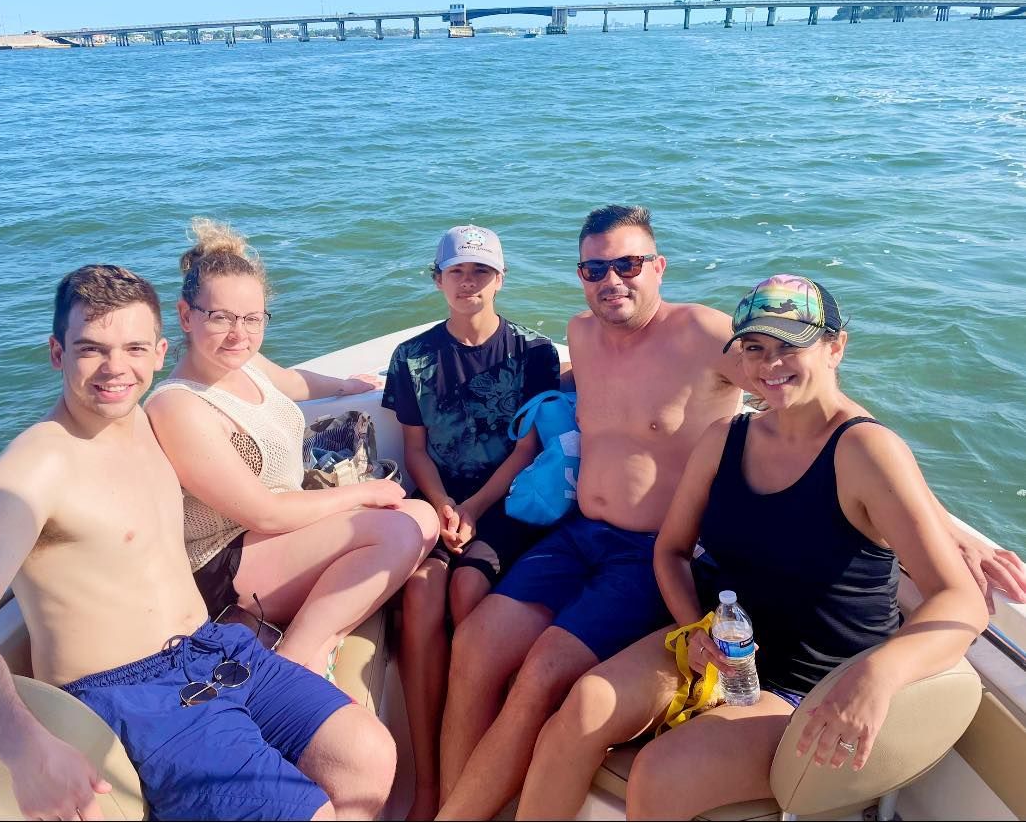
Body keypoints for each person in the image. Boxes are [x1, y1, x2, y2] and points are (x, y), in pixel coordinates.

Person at [436, 205, 1026, 820]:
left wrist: (886, 654)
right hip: (680, 602)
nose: (769, 366)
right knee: (488, 651)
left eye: (628, 264)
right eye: (595, 268)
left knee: (550, 683)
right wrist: (697, 629)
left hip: (795, 666)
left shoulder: (833, 430)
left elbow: (859, 439)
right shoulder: (720, 429)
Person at [0, 265, 396, 821]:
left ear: (162, 352)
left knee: (368, 757)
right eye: (91, 349)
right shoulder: (32, 470)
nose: (116, 369)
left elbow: (259, 375)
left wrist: (336, 387)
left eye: (134, 348)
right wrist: (27, 749)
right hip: (129, 697)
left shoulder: (147, 420)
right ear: (55, 352)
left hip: (210, 649)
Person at [144, 218, 438, 681]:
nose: (238, 333)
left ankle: (323, 637)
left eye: (252, 319)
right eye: (220, 317)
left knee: (423, 518)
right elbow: (265, 515)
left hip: (278, 536)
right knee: (400, 532)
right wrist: (363, 494)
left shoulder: (246, 364)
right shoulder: (179, 406)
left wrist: (347, 385)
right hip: (227, 564)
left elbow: (292, 382)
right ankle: (296, 664)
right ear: (186, 316)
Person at [383, 225, 561, 819]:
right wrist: (440, 506)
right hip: (437, 500)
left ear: (500, 280)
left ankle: (481, 752)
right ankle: (429, 778)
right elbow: (414, 450)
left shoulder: (533, 354)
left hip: (505, 502)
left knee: (467, 587)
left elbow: (528, 451)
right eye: (457, 271)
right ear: (438, 280)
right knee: (422, 589)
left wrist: (474, 510)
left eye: (481, 272)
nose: (469, 283)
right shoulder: (411, 358)